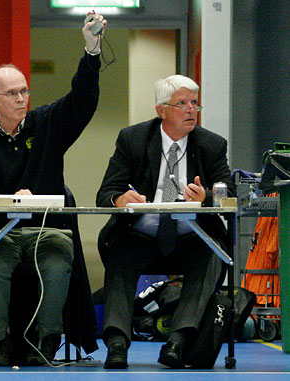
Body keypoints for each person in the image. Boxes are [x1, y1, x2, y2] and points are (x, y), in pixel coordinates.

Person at [0, 13, 106, 365]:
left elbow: (82, 100)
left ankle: (46, 341)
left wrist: (91, 50)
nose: (21, 98)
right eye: (12, 93)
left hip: (47, 229)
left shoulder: (46, 123)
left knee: (59, 262)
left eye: (25, 90)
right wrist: (12, 200)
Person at [96, 75, 233, 369]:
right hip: (141, 234)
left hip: (190, 234)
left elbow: (229, 193)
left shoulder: (211, 144)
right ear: (161, 110)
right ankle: (117, 342)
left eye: (194, 104)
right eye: (182, 104)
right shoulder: (132, 139)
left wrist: (207, 196)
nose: (190, 110)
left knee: (212, 253)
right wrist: (120, 200)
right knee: (121, 250)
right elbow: (106, 192)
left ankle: (179, 340)